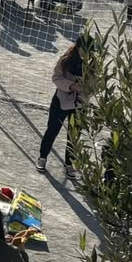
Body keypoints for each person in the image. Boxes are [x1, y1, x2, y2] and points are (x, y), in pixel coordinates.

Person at [36, 33, 92, 179]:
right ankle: (42, 157)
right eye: (84, 50)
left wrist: (87, 87)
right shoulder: (66, 60)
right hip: (61, 101)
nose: (87, 53)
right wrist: (71, 86)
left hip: (80, 104)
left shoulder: (93, 63)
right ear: (78, 47)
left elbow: (97, 83)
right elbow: (56, 77)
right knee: (52, 130)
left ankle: (69, 164)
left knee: (74, 136)